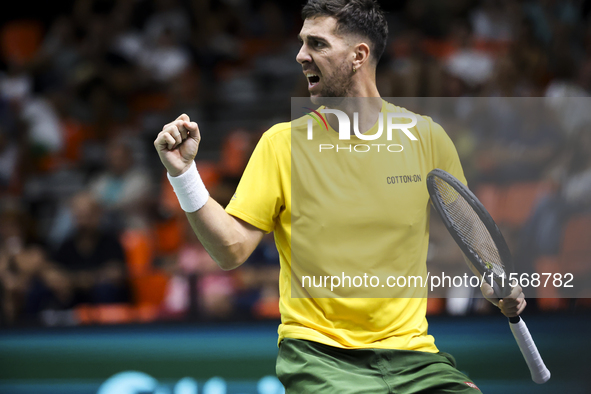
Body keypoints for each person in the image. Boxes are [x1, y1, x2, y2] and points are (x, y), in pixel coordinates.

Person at [154, 0, 526, 392]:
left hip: (414, 357)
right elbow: (230, 250)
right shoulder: (282, 146)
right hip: (321, 358)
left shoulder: (427, 138)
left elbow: (471, 233)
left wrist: (494, 278)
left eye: (317, 44)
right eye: (302, 43)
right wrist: (184, 175)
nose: (301, 56)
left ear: (358, 56)